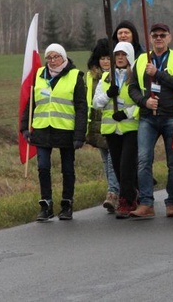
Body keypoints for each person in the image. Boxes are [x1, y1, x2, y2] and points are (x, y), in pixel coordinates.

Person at [128, 23, 173, 218]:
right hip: (148, 117)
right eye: (155, 35)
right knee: (143, 160)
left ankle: (172, 202)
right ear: (150, 38)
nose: (158, 38)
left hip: (172, 115)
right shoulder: (140, 60)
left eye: (162, 35)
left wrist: (158, 74)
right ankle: (147, 203)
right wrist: (144, 102)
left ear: (169, 38)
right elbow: (132, 89)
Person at [20, 44, 87, 222]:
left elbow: (81, 107)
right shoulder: (39, 74)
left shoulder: (75, 76)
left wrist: (80, 134)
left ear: (63, 57)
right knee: (43, 167)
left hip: (65, 130)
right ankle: (46, 204)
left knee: (67, 168)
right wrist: (24, 127)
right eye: (49, 57)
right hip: (42, 129)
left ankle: (67, 204)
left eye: (56, 57)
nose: (52, 61)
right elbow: (31, 102)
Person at [93, 42, 140, 219]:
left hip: (130, 127)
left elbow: (141, 103)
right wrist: (108, 95)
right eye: (117, 55)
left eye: (123, 54)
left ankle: (126, 200)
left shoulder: (136, 77)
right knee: (118, 166)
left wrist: (126, 113)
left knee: (126, 164)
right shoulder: (106, 78)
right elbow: (96, 103)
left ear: (130, 57)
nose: (120, 58)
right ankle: (132, 194)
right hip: (111, 128)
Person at [84, 38, 120, 213]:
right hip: (96, 124)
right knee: (106, 160)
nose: (105, 62)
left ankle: (113, 193)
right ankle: (114, 190)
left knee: (114, 160)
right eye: (102, 58)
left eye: (108, 58)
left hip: (113, 122)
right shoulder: (91, 77)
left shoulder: (119, 74)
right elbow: (88, 100)